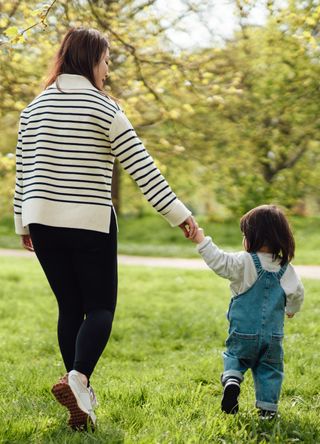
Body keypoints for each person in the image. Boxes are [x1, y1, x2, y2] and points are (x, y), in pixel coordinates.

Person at [13, 27, 197, 430]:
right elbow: (143, 170)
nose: (108, 71)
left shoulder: (33, 109)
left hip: (41, 221)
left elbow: (22, 172)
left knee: (69, 308)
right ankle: (78, 380)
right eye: (107, 61)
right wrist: (180, 214)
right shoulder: (104, 109)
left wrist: (21, 222)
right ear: (90, 60)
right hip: (90, 224)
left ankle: (80, 397)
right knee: (99, 309)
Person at [190, 204, 304, 418]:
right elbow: (298, 293)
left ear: (254, 236)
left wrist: (201, 240)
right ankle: (268, 412)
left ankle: (232, 380)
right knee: (270, 370)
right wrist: (291, 309)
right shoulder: (285, 268)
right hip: (272, 338)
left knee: (235, 356)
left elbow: (219, 261)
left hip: (243, 333)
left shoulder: (244, 262)